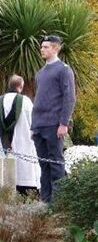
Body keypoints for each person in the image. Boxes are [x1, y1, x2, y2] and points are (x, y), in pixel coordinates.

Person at [31, 35, 76, 203]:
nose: (42, 49)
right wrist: (33, 126)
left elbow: (69, 98)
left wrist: (63, 123)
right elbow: (39, 99)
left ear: (56, 48)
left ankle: (59, 203)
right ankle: (46, 202)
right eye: (42, 47)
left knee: (56, 164)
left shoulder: (64, 70)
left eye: (46, 47)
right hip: (39, 126)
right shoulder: (40, 73)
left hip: (54, 124)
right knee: (43, 165)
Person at [0, 75, 40, 195]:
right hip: (23, 145)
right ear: (21, 87)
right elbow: (34, 124)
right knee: (25, 176)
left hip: (3, 146)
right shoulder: (26, 102)